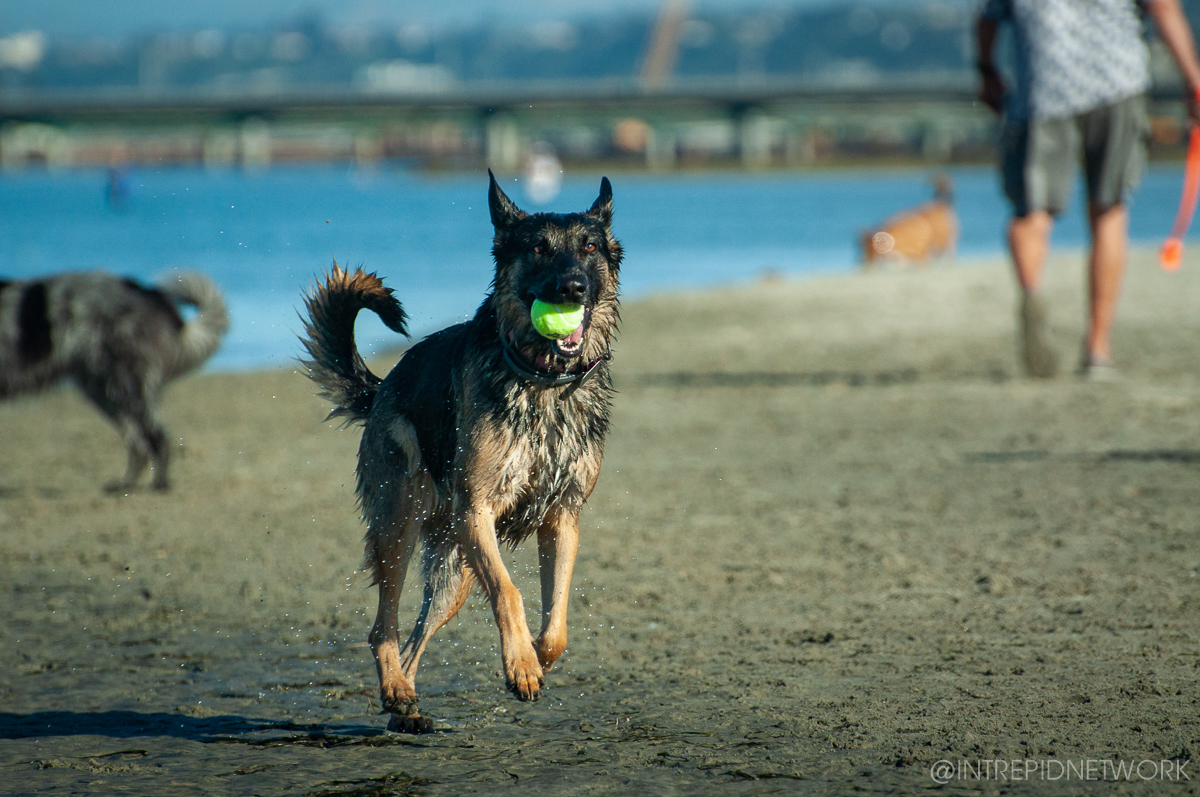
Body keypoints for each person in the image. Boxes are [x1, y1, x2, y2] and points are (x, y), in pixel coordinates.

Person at [976, 0, 1200, 379]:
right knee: (1108, 210)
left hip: (1041, 88)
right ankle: (1098, 350)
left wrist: (987, 71)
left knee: (1030, 214)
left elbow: (988, 19)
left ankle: (1032, 294)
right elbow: (1163, 8)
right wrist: (1193, 79)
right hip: (1117, 81)